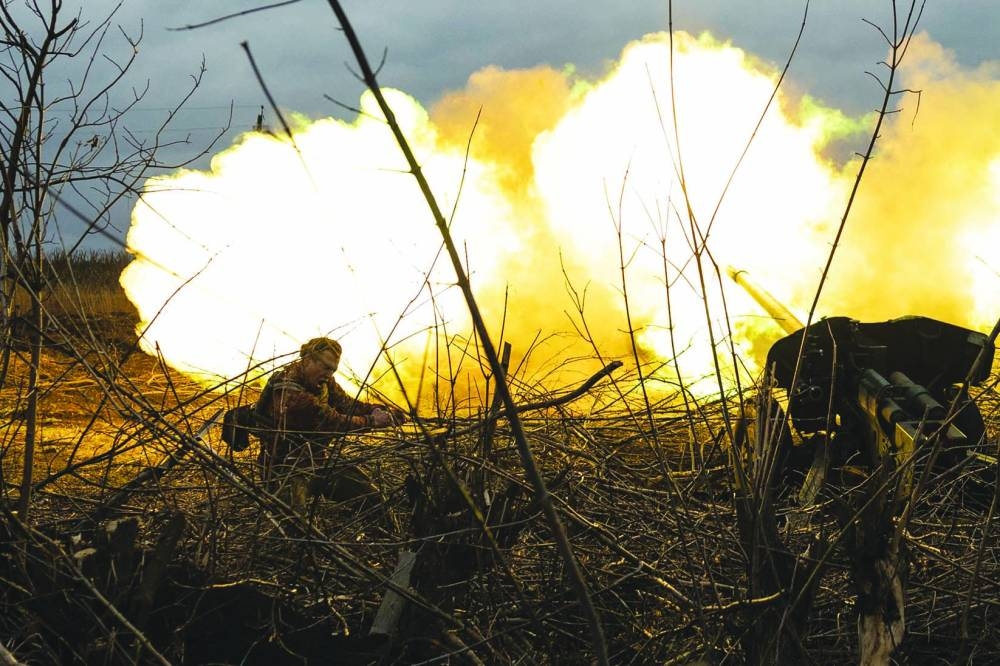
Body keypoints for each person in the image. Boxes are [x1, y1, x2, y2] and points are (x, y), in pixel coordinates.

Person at [254, 337, 404, 510]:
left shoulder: (323, 382)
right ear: (308, 360)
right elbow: (331, 421)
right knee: (293, 525)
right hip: (285, 472)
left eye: (333, 369)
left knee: (373, 500)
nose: (329, 374)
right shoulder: (288, 390)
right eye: (326, 367)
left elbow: (347, 404)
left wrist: (379, 410)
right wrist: (372, 421)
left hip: (317, 464)